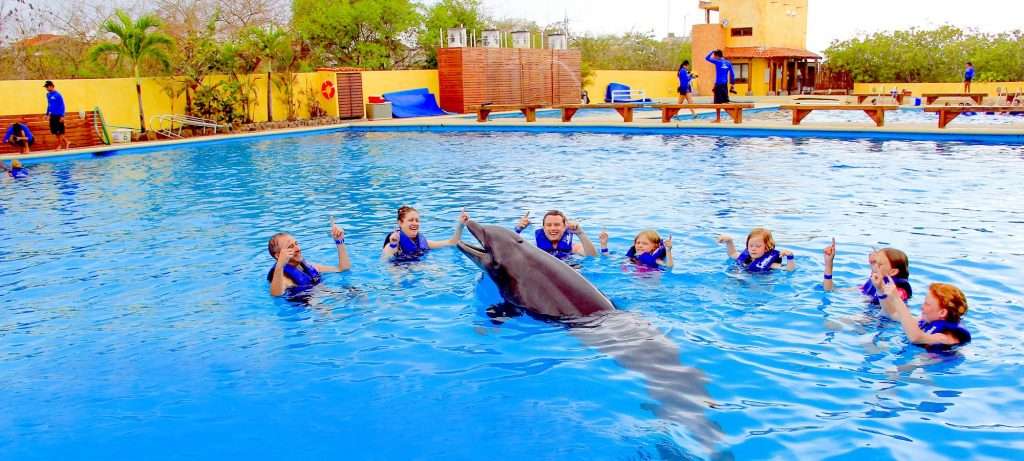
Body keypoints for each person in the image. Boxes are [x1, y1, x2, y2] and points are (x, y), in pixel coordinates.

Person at [869, 273, 971, 351]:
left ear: (942, 313)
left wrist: (897, 299)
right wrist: (880, 290)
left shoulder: (945, 338)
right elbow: (890, 314)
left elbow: (916, 338)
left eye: (927, 304)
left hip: (939, 363)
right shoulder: (924, 321)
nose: (922, 307)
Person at [267, 217, 351, 297]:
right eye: (290, 247)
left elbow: (342, 269)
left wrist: (339, 241)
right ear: (278, 255)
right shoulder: (284, 278)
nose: (298, 249)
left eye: (296, 244)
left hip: (325, 294)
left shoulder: (306, 266)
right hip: (310, 305)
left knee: (353, 291)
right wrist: (280, 265)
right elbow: (275, 294)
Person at [823, 239, 913, 304]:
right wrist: (828, 263)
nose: (873, 267)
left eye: (879, 264)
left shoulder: (900, 291)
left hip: (882, 322)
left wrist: (879, 290)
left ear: (892, 272)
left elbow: (892, 304)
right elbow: (830, 290)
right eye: (873, 263)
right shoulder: (870, 285)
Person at [381, 206, 468, 261]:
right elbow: (386, 259)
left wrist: (461, 224)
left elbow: (452, 242)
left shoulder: (422, 242)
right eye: (411, 220)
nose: (415, 223)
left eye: (417, 220)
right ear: (400, 223)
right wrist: (393, 244)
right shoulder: (394, 242)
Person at [514, 210, 597, 259]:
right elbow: (511, 254)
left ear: (564, 227)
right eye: (549, 225)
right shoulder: (534, 247)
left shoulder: (573, 248)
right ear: (543, 228)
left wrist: (580, 233)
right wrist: (518, 231)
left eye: (557, 225)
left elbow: (592, 257)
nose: (553, 228)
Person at [717, 228, 795, 273]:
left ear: (767, 248)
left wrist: (790, 257)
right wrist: (729, 241)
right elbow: (732, 254)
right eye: (751, 245)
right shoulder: (746, 257)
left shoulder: (771, 264)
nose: (753, 248)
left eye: (758, 246)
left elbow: (789, 269)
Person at [600, 229, 674, 269]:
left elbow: (669, 266)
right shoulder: (634, 256)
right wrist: (604, 245)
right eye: (638, 243)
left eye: (645, 243)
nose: (640, 245)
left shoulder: (655, 259)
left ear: (655, 246)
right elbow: (608, 257)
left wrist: (668, 251)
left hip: (650, 279)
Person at [704, 49, 735, 123]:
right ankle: (734, 115)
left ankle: (718, 119)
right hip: (725, 85)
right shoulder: (728, 63)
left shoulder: (717, 61)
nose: (713, 57)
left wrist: (711, 51)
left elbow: (707, 58)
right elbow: (732, 74)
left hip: (718, 85)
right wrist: (732, 85)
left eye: (714, 55)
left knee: (718, 103)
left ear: (717, 56)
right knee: (725, 102)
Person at [44, 80, 70, 150]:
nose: (46, 88)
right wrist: (47, 114)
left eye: (47, 87)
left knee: (60, 131)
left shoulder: (58, 95)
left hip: (58, 115)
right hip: (52, 115)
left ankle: (60, 145)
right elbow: (49, 105)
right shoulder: (48, 95)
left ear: (52, 86)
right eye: (46, 87)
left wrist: (62, 116)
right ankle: (67, 142)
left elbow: (62, 105)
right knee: (55, 132)